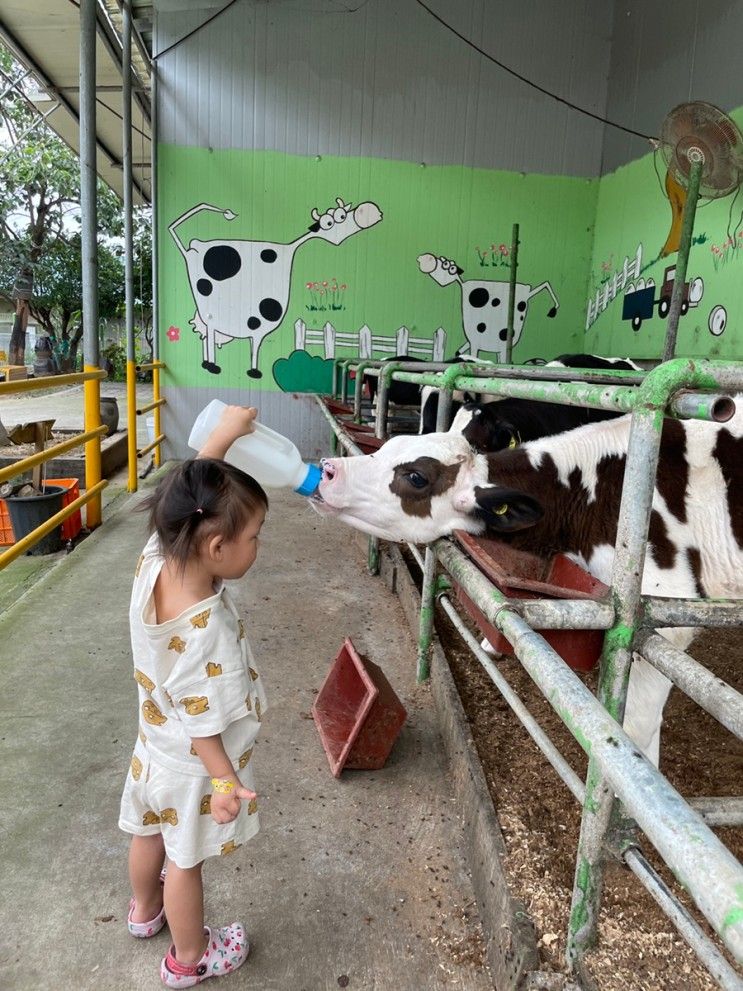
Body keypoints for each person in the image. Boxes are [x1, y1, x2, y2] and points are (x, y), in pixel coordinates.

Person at [119, 405, 268, 987]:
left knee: (147, 830)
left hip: (153, 743)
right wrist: (226, 782)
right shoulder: (207, 634)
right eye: (253, 537)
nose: (258, 546)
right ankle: (188, 958)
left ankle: (142, 912)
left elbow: (194, 486)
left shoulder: (160, 552)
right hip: (191, 765)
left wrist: (225, 435)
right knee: (184, 861)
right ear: (214, 548)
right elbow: (204, 724)